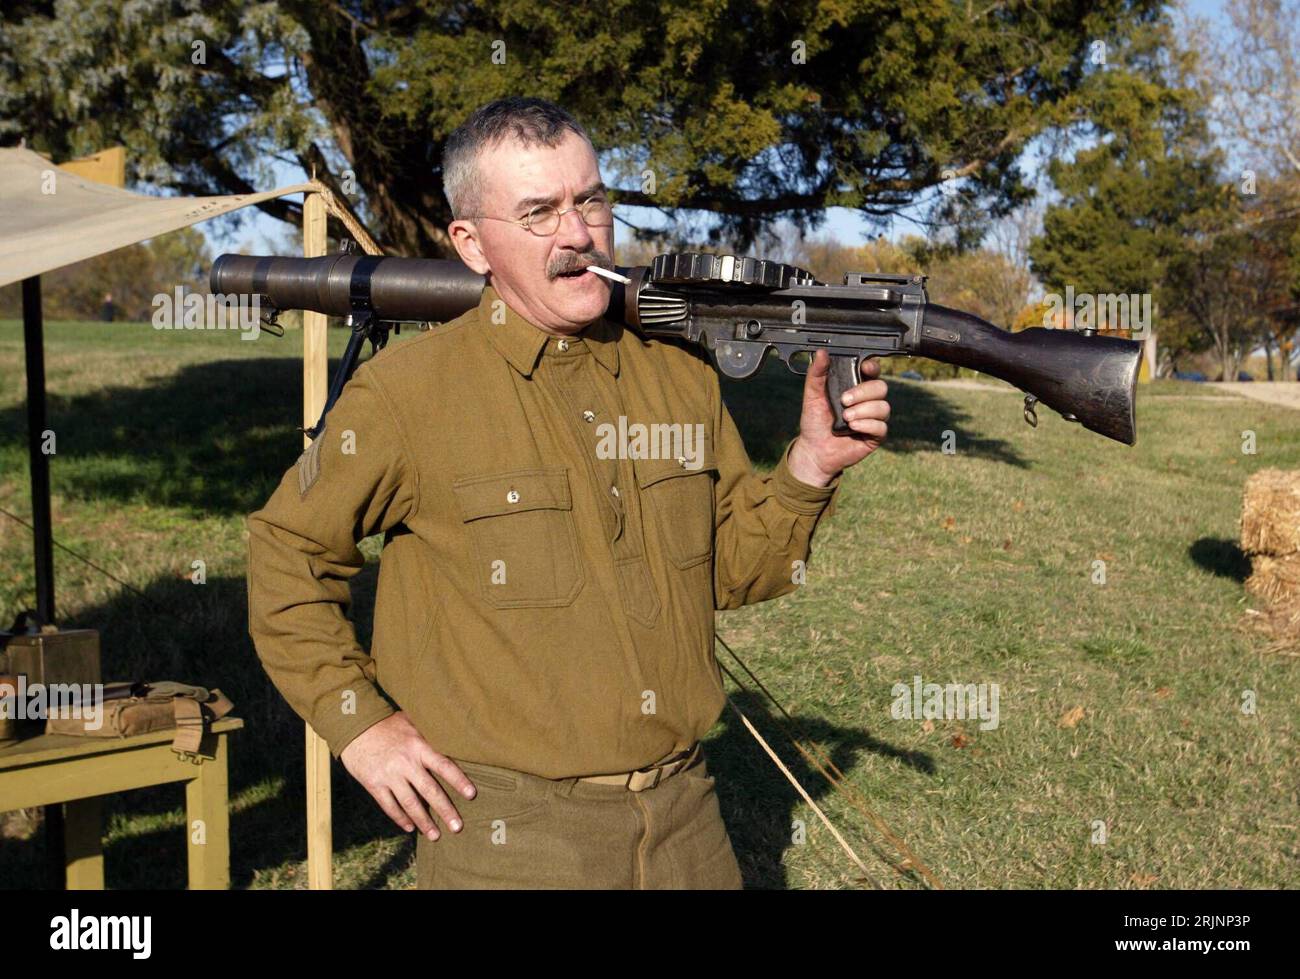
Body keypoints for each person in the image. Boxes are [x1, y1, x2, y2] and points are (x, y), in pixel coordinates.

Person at [246, 96, 892, 889]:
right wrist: (362, 726)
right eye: (539, 212)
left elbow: (731, 574)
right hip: (509, 838)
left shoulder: (677, 375)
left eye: (589, 200)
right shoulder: (406, 395)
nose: (578, 234)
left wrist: (808, 469)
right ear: (472, 243)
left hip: (688, 823)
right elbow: (286, 550)